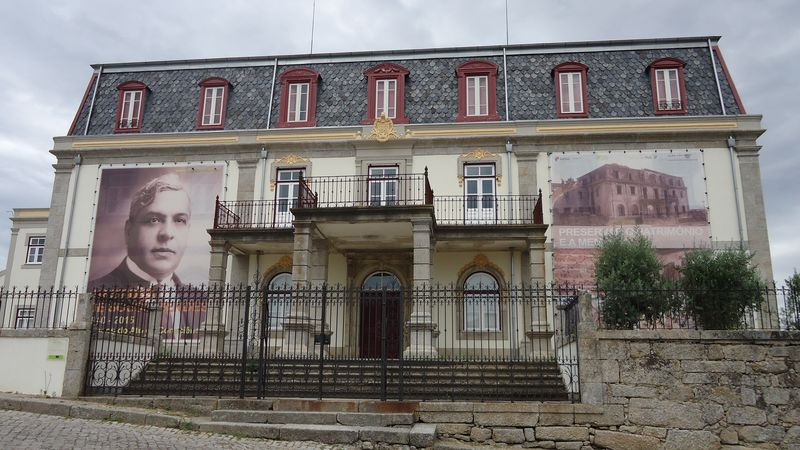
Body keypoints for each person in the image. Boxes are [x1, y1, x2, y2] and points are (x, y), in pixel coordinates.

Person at [88, 173, 191, 290]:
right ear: (129, 230)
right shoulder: (93, 291)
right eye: (154, 220)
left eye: (179, 220)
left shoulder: (203, 300)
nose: (167, 233)